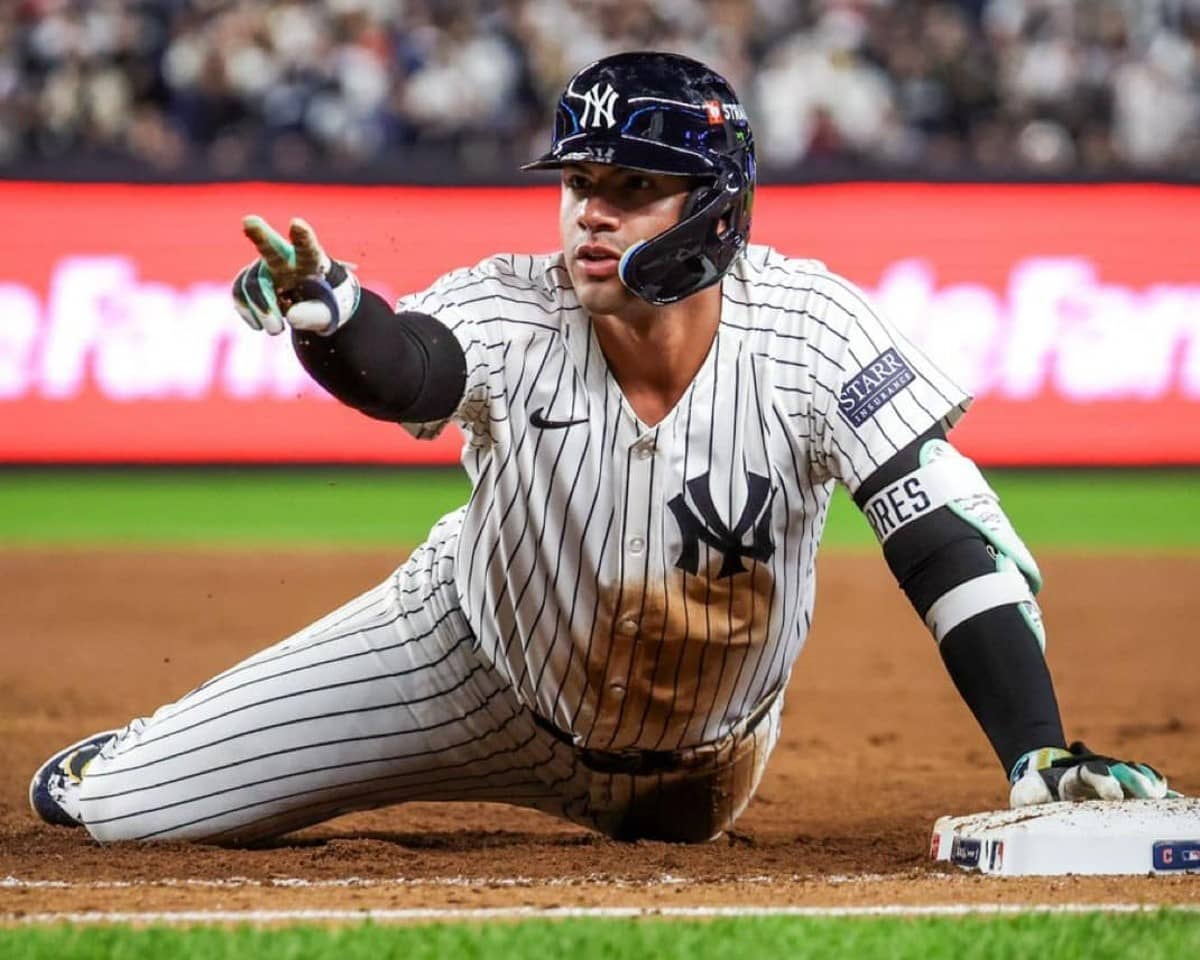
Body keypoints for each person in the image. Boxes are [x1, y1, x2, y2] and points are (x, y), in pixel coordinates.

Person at [30, 51, 1173, 845]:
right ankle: (143, 755)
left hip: (703, 762)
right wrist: (331, 316)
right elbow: (412, 367)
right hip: (461, 669)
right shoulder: (514, 308)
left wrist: (1033, 753)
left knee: (945, 482)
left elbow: (939, 536)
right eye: (578, 183)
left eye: (630, 188)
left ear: (714, 209)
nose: (588, 212)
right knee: (105, 812)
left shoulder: (815, 327)